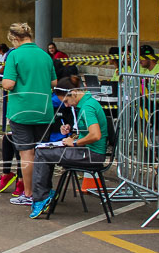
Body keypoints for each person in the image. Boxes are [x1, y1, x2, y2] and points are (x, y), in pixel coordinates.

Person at [27, 75, 109, 219]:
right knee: (45, 151)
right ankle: (45, 192)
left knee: (41, 153)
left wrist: (75, 143)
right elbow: (87, 132)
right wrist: (72, 134)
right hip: (89, 151)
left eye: (66, 101)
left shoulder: (87, 107)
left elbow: (95, 135)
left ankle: (41, 197)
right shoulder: (87, 103)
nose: (66, 105)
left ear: (74, 93)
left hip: (92, 154)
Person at [1, 23, 57, 207]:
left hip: (21, 110)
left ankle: (29, 193)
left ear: (15, 39)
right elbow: (54, 82)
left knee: (27, 153)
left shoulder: (14, 55)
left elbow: (8, 84)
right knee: (42, 152)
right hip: (44, 109)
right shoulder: (45, 55)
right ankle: (44, 191)